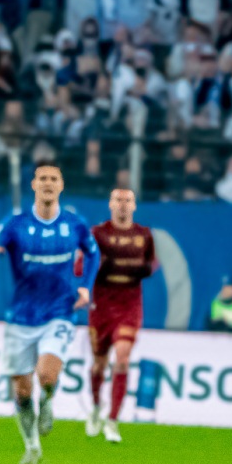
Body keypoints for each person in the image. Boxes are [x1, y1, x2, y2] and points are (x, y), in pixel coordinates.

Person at [0, 163, 101, 464]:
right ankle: (32, 446)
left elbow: (93, 253)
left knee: (47, 374)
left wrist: (85, 287)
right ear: (33, 185)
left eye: (53, 179)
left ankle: (47, 400)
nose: (48, 183)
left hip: (59, 311)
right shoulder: (16, 224)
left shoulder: (74, 224)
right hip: (21, 316)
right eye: (42, 178)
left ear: (61, 185)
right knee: (22, 391)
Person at [87, 189, 157, 443]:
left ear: (134, 206)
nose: (123, 205)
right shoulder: (98, 234)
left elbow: (152, 264)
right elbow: (81, 265)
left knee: (123, 358)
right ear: (110, 204)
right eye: (118, 200)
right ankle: (96, 406)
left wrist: (144, 269)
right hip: (102, 307)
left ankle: (113, 420)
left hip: (129, 306)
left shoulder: (143, 235)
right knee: (99, 363)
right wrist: (97, 266)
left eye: (128, 200)